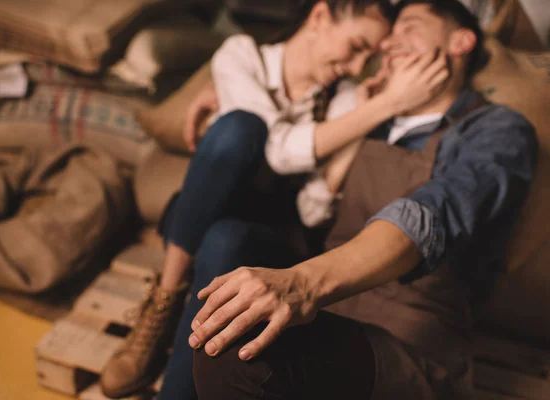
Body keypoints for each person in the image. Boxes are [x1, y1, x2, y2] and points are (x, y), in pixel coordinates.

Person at [189, 1, 539, 399]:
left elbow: (433, 213)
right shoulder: (366, 117)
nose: (389, 42)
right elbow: (292, 172)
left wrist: (303, 283)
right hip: (326, 318)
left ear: (460, 40)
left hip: (408, 342)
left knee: (236, 353)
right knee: (229, 255)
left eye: (409, 27)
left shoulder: (497, 130)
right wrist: (232, 92)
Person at [100, 1, 450, 399]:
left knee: (227, 237)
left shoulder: (345, 97)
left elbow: (312, 209)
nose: (356, 67)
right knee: (238, 132)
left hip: (272, 242)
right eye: (356, 47)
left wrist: (359, 127)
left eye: (368, 57)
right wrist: (383, 107)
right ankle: (165, 299)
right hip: (206, 216)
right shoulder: (240, 56)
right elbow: (279, 150)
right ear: (319, 17)